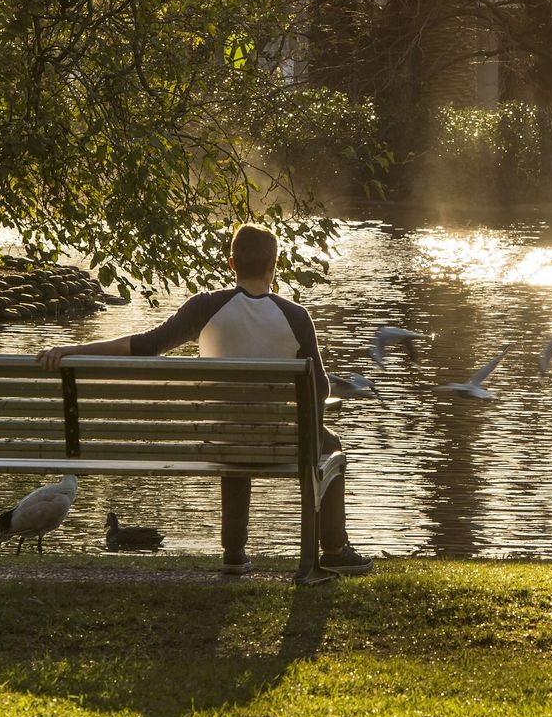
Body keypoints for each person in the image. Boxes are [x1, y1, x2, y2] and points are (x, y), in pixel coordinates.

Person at [36, 224, 372, 576]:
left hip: (221, 440)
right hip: (283, 443)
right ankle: (333, 549)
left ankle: (234, 553)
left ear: (231, 264)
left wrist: (73, 349)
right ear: (275, 263)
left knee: (231, 432)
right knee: (330, 445)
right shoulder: (296, 316)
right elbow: (320, 390)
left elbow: (145, 345)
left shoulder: (206, 307)